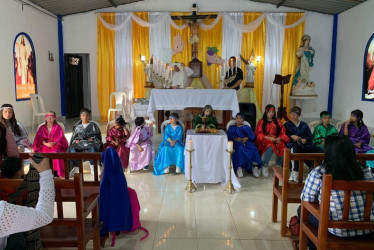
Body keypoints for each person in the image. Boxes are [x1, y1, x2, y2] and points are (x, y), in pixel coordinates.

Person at [300, 134, 374, 250]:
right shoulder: (365, 171)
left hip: (337, 231)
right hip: (368, 229)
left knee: (302, 210)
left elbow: (307, 199)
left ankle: (314, 246)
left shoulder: (320, 172)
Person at [0, 155, 54, 244]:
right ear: (18, 172)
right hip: (25, 220)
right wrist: (45, 174)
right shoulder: (24, 189)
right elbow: (44, 215)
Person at [284, 106, 323, 182]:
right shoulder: (287, 124)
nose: (293, 116)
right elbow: (283, 135)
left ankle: (315, 171)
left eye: (295, 114)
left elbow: (310, 136)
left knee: (318, 150)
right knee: (294, 149)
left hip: (304, 144)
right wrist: (292, 136)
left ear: (298, 115)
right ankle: (294, 172)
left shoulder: (303, 125)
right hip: (292, 143)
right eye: (291, 114)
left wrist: (305, 139)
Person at [255, 104, 289, 176]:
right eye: (269, 111)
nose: (271, 113)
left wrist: (279, 138)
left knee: (283, 147)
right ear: (266, 112)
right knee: (270, 146)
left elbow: (283, 133)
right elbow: (258, 134)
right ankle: (265, 165)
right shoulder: (261, 121)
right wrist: (269, 138)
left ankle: (278, 165)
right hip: (265, 140)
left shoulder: (278, 122)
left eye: (273, 112)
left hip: (276, 140)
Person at [33, 111, 68, 178]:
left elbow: (60, 137)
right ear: (45, 118)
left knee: (56, 153)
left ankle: (57, 172)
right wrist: (45, 143)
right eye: (48, 117)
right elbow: (39, 138)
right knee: (42, 153)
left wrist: (54, 142)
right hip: (45, 145)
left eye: (51, 117)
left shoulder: (57, 127)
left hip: (55, 144)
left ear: (55, 118)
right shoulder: (42, 127)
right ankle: (44, 172)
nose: (49, 119)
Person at [68, 108, 102, 175]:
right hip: (80, 143)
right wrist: (76, 141)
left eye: (87, 115)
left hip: (90, 143)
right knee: (72, 150)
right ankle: (77, 166)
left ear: (89, 116)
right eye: (83, 116)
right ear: (80, 116)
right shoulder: (77, 126)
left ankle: (92, 165)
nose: (85, 117)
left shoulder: (93, 125)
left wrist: (93, 139)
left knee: (93, 149)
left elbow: (98, 136)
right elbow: (74, 137)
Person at [228, 113, 262, 178]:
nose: (238, 120)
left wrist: (247, 138)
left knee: (254, 149)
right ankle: (239, 167)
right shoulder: (232, 127)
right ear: (235, 119)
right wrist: (236, 138)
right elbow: (229, 136)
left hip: (247, 142)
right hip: (237, 142)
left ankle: (254, 166)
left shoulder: (246, 127)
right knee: (240, 149)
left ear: (243, 120)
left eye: (240, 118)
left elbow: (253, 136)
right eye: (237, 118)